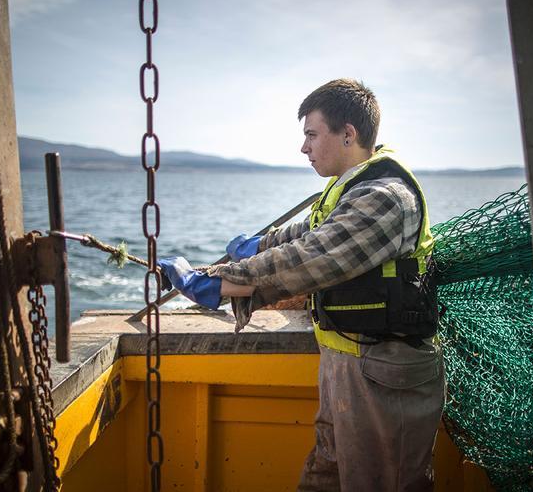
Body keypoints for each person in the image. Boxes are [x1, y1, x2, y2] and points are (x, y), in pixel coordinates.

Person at [158, 78, 444, 491]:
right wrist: (256, 246)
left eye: (312, 134)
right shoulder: (347, 189)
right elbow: (303, 236)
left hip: (385, 376)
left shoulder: (386, 196)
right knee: (324, 478)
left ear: (348, 134)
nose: (304, 147)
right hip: (349, 365)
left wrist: (220, 283)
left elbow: (312, 258)